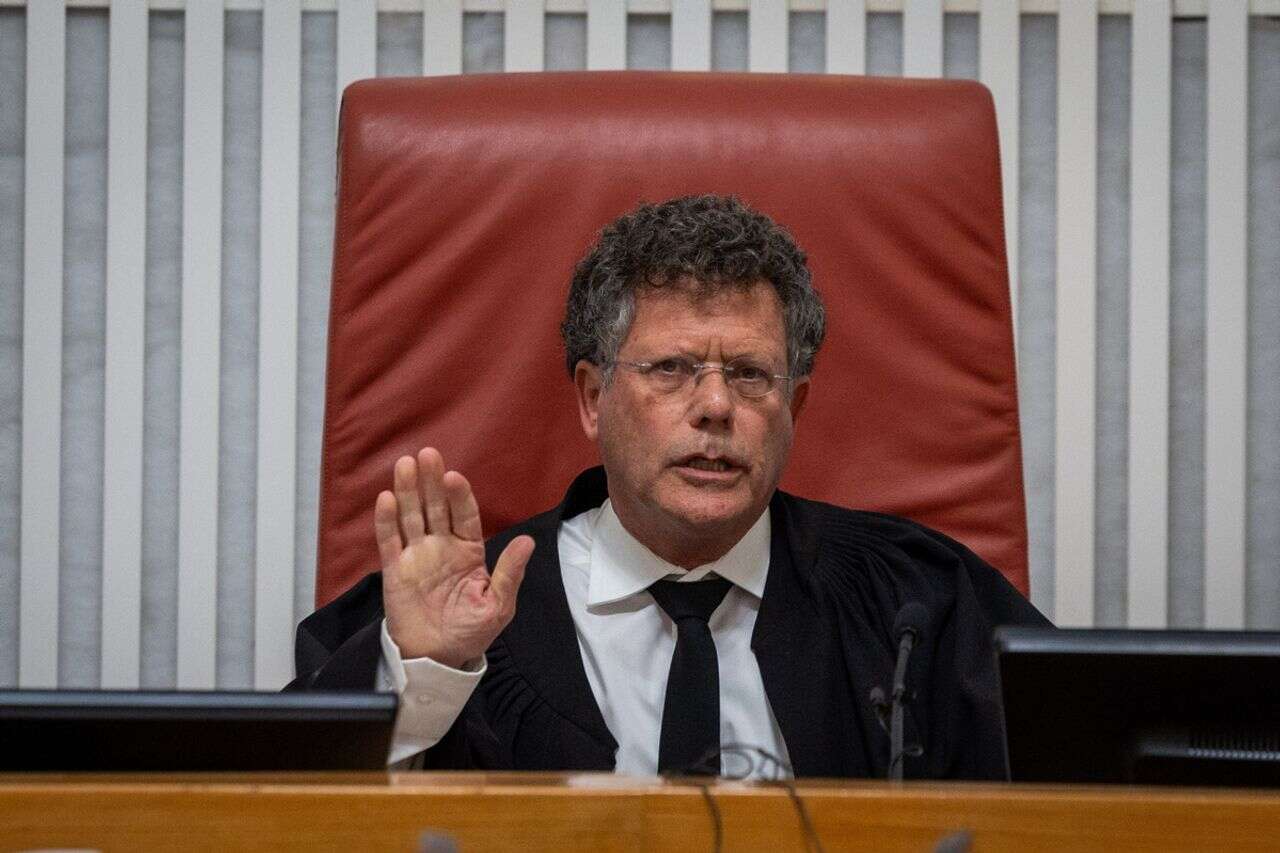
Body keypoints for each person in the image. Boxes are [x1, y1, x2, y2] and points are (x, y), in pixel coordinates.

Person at [290, 194, 1050, 779]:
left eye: (749, 374)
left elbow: (1085, 793)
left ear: (794, 408)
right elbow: (273, 812)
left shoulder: (916, 603)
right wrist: (423, 675)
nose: (715, 406)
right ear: (593, 399)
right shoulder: (462, 610)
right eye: (671, 369)